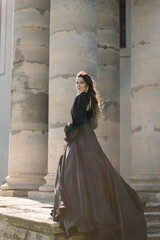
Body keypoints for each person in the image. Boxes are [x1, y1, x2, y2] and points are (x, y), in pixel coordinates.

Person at [50, 71, 147, 240]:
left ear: (87, 84)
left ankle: (81, 217)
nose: (78, 85)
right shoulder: (90, 99)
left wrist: (68, 137)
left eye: (81, 82)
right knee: (92, 177)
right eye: (76, 82)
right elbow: (92, 124)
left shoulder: (81, 98)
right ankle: (93, 217)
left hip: (80, 139)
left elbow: (78, 121)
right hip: (88, 139)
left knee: (73, 176)